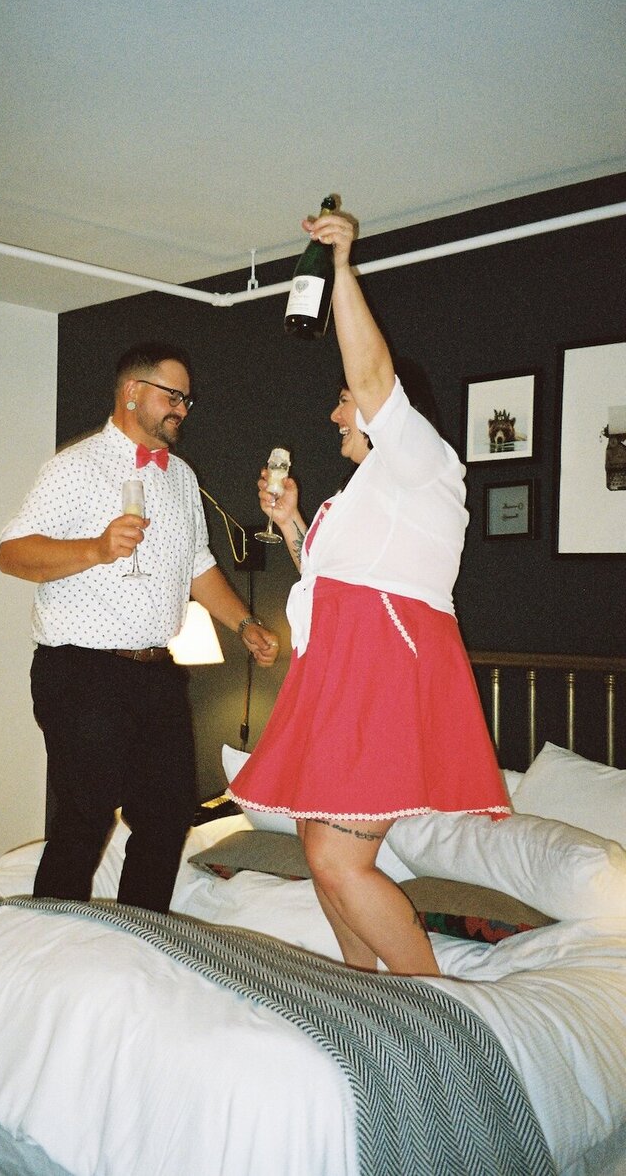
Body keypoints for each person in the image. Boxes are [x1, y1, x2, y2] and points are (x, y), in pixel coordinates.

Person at [229, 210, 510, 976]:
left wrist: (342, 268)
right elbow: (329, 584)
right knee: (324, 852)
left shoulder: (423, 459)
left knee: (338, 859)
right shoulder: (367, 496)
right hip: (345, 665)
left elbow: (374, 375)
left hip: (386, 662)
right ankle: (366, 994)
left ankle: (431, 1000)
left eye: (343, 402)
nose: (335, 414)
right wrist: (290, 524)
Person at [0, 342, 279, 913]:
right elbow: (12, 553)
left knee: (168, 815)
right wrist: (96, 548)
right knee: (85, 816)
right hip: (82, 669)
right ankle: (47, 942)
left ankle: (136, 936)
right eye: (171, 396)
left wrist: (243, 622)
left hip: (156, 672)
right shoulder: (74, 468)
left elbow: (198, 564)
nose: (182, 408)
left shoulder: (181, 477)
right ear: (131, 392)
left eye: (186, 399)